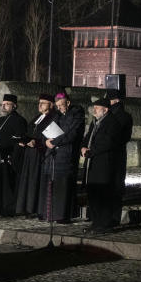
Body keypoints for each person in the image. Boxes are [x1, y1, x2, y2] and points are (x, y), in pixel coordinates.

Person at [39, 91, 85, 223]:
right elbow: (47, 131)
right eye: (57, 106)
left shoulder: (77, 113)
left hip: (67, 155)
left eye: (61, 105)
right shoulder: (57, 115)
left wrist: (53, 142)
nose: (59, 108)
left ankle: (62, 216)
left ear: (68, 103)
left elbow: (72, 134)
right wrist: (46, 141)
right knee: (53, 186)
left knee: (64, 187)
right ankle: (50, 214)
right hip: (54, 156)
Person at [81, 97, 120, 232]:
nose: (94, 110)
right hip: (92, 163)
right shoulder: (95, 122)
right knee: (93, 193)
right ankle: (96, 222)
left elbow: (108, 142)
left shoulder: (112, 122)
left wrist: (91, 151)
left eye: (97, 108)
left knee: (103, 194)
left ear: (105, 109)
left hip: (103, 163)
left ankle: (104, 223)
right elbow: (87, 138)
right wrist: (83, 147)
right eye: (94, 108)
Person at [14, 93, 56, 216]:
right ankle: (27, 207)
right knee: (28, 180)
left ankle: (35, 208)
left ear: (51, 104)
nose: (40, 105)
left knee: (36, 180)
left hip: (40, 154)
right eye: (39, 103)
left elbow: (49, 136)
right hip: (30, 153)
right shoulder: (38, 117)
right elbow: (29, 131)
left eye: (43, 103)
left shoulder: (53, 117)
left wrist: (36, 142)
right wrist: (24, 140)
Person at [105, 88, 133, 228]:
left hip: (115, 155)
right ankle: (110, 216)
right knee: (113, 186)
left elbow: (119, 137)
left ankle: (113, 218)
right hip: (115, 155)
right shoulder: (122, 115)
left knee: (115, 186)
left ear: (114, 101)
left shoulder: (119, 116)